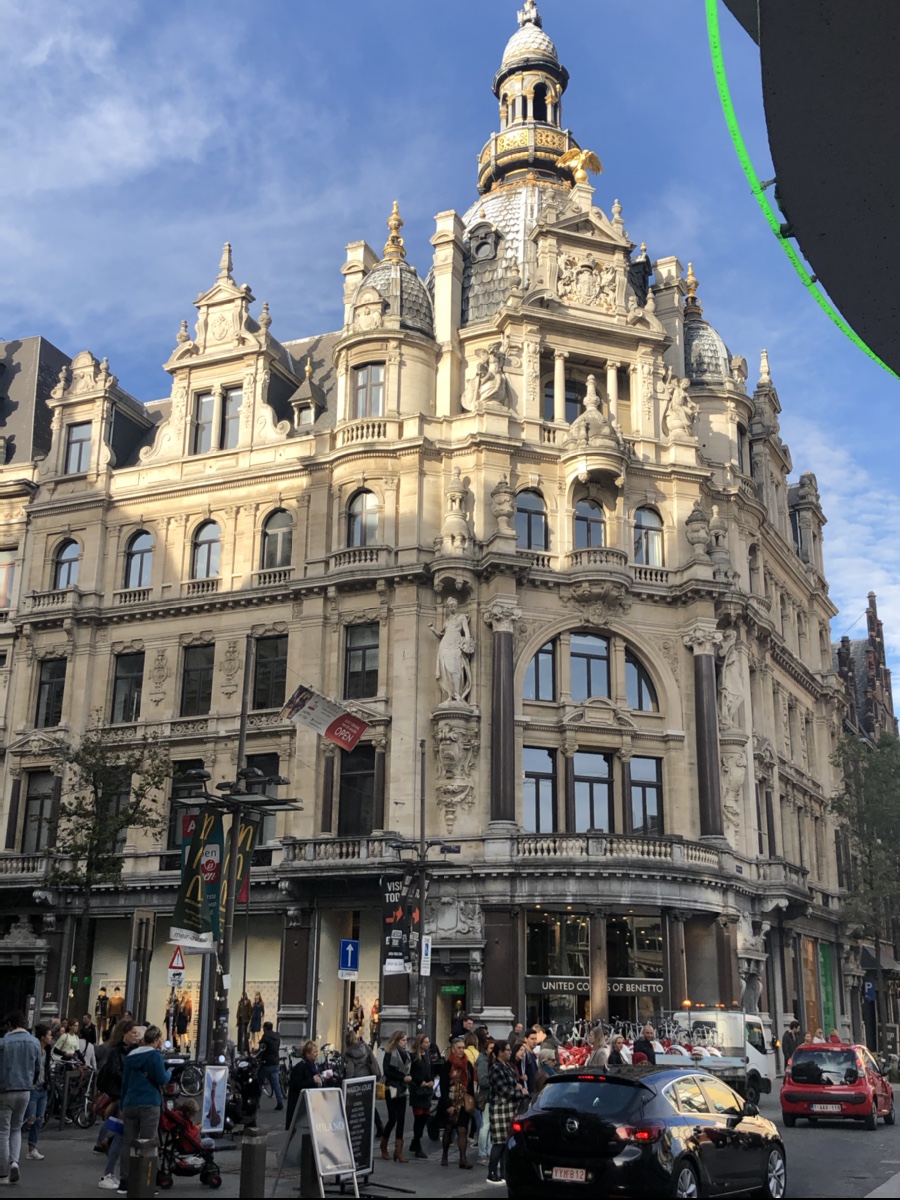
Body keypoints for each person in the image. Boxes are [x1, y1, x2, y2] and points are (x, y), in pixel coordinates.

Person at [118, 1025, 170, 1196]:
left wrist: (122, 1104)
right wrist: (170, 1072)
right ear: (156, 1040)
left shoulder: (131, 1056)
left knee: (128, 1142)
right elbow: (161, 1079)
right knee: (148, 1143)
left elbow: (125, 1082)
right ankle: (147, 1182)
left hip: (130, 1103)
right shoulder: (155, 1056)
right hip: (149, 1103)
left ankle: (125, 1181)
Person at [96, 1019, 140, 1189]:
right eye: (133, 1033)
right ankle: (108, 1173)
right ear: (124, 1033)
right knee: (121, 1135)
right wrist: (131, 1079)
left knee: (120, 1135)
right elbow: (115, 1072)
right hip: (122, 1095)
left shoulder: (133, 1050)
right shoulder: (116, 1052)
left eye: (137, 1033)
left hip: (127, 1095)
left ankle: (112, 1172)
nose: (136, 1036)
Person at [0, 1012, 41, 1184]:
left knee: (3, 1130)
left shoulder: (3, 1042)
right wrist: (32, 1082)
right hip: (25, 1089)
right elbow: (38, 1068)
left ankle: (3, 1172)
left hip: (5, 1089)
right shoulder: (34, 1042)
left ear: (10, 1024)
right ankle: (14, 1162)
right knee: (16, 1128)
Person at [487, 1040, 526, 1184]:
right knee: (498, 1142)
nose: (510, 1052)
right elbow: (504, 1090)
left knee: (506, 1142)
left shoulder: (508, 1066)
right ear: (500, 1052)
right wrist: (519, 1092)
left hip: (510, 1108)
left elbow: (516, 1081)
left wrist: (518, 1086)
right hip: (500, 1109)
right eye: (508, 1050)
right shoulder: (495, 1068)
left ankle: (503, 1172)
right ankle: (492, 1172)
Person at [442, 1037, 474, 1170]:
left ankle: (463, 1158)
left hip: (463, 1102)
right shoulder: (447, 1065)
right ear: (453, 1049)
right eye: (459, 1048)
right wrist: (447, 1104)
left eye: (463, 1048)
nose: (461, 1050)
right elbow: (443, 1086)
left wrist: (470, 1100)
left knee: (462, 1129)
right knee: (449, 1129)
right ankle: (444, 1154)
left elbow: (471, 1084)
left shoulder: (468, 1065)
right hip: (451, 1100)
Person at [22, 1023, 53, 1162]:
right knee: (30, 1118)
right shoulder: (34, 1049)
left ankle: (32, 1148)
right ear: (42, 1037)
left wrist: (48, 1081)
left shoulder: (48, 1050)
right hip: (34, 1088)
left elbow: (46, 1068)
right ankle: (12, 1137)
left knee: (39, 1119)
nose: (51, 1037)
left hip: (43, 1087)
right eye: (49, 1035)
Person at [382, 1030, 412, 1163]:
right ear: (397, 1041)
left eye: (406, 1040)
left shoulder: (406, 1054)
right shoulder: (390, 1053)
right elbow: (387, 1071)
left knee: (401, 1119)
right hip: (392, 1088)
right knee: (392, 1118)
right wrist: (402, 1077)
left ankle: (398, 1151)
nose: (406, 1042)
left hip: (403, 1089)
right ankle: (384, 1146)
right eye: (403, 1040)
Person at [408, 1033, 435, 1159]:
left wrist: (431, 1080)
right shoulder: (413, 1056)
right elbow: (411, 1072)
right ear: (420, 1043)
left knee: (426, 1115)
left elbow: (431, 1070)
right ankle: (417, 1143)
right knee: (419, 1118)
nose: (428, 1044)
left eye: (428, 1042)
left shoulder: (428, 1055)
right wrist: (419, 1082)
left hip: (427, 1090)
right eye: (425, 1042)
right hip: (417, 1090)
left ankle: (415, 1141)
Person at [286, 1041, 322, 1130]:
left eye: (317, 1051)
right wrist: (312, 1080)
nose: (317, 1054)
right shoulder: (300, 1066)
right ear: (307, 1053)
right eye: (314, 1052)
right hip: (300, 1105)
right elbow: (296, 1084)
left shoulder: (313, 1065)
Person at [256, 1021, 284, 1111]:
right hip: (275, 1063)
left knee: (259, 1082)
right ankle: (280, 1102)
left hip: (266, 1063)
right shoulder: (277, 1036)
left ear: (265, 1028)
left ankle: (257, 1102)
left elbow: (261, 1049)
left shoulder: (266, 1037)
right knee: (276, 1084)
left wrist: (256, 1055)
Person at [475, 1032, 493, 1161]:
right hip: (486, 1096)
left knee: (489, 1125)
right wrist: (494, 1083)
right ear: (486, 1049)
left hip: (491, 1095)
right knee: (486, 1124)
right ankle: (482, 1152)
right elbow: (483, 1080)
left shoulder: (490, 1060)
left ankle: (488, 1150)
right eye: (491, 1048)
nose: (493, 1051)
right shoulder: (483, 1061)